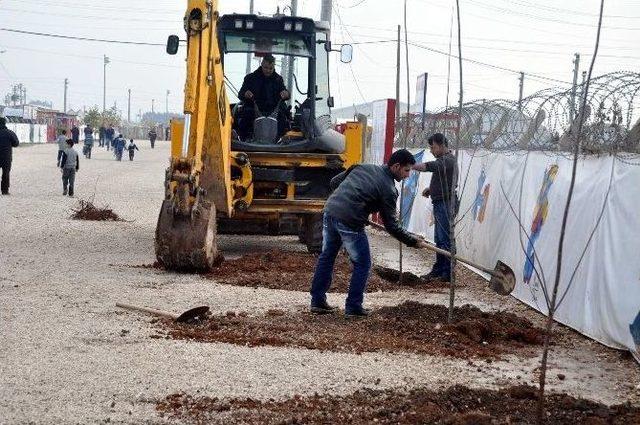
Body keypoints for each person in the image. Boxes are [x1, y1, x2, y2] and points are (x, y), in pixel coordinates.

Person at [309, 149, 429, 317]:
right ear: (396, 166)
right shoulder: (388, 189)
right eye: (407, 170)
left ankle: (317, 302)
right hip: (350, 221)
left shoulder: (362, 167)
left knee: (327, 256)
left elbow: (335, 182)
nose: (408, 175)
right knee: (363, 264)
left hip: (330, 211)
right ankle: (353, 307)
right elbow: (391, 226)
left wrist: (353, 203)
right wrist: (412, 241)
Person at [412, 133, 458, 283]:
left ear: (441, 145)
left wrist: (410, 165)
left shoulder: (447, 161)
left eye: (433, 147)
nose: (431, 150)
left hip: (446, 203)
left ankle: (447, 273)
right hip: (440, 202)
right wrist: (431, 190)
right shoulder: (444, 160)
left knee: (445, 239)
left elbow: (429, 167)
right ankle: (439, 269)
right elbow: (447, 182)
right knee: (440, 238)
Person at [237, 54, 290, 141]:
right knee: (246, 114)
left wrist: (286, 94)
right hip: (254, 109)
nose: (268, 70)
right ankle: (242, 139)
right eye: (265, 67)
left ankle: (280, 140)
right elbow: (241, 94)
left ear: (274, 67)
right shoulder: (250, 78)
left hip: (274, 112)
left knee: (282, 116)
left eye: (270, 68)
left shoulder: (278, 79)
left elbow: (285, 93)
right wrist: (245, 93)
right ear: (261, 64)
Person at [0, 117, 20, 195]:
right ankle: (5, 191)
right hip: (6, 157)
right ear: (5, 123)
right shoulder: (9, 133)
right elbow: (16, 144)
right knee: (5, 173)